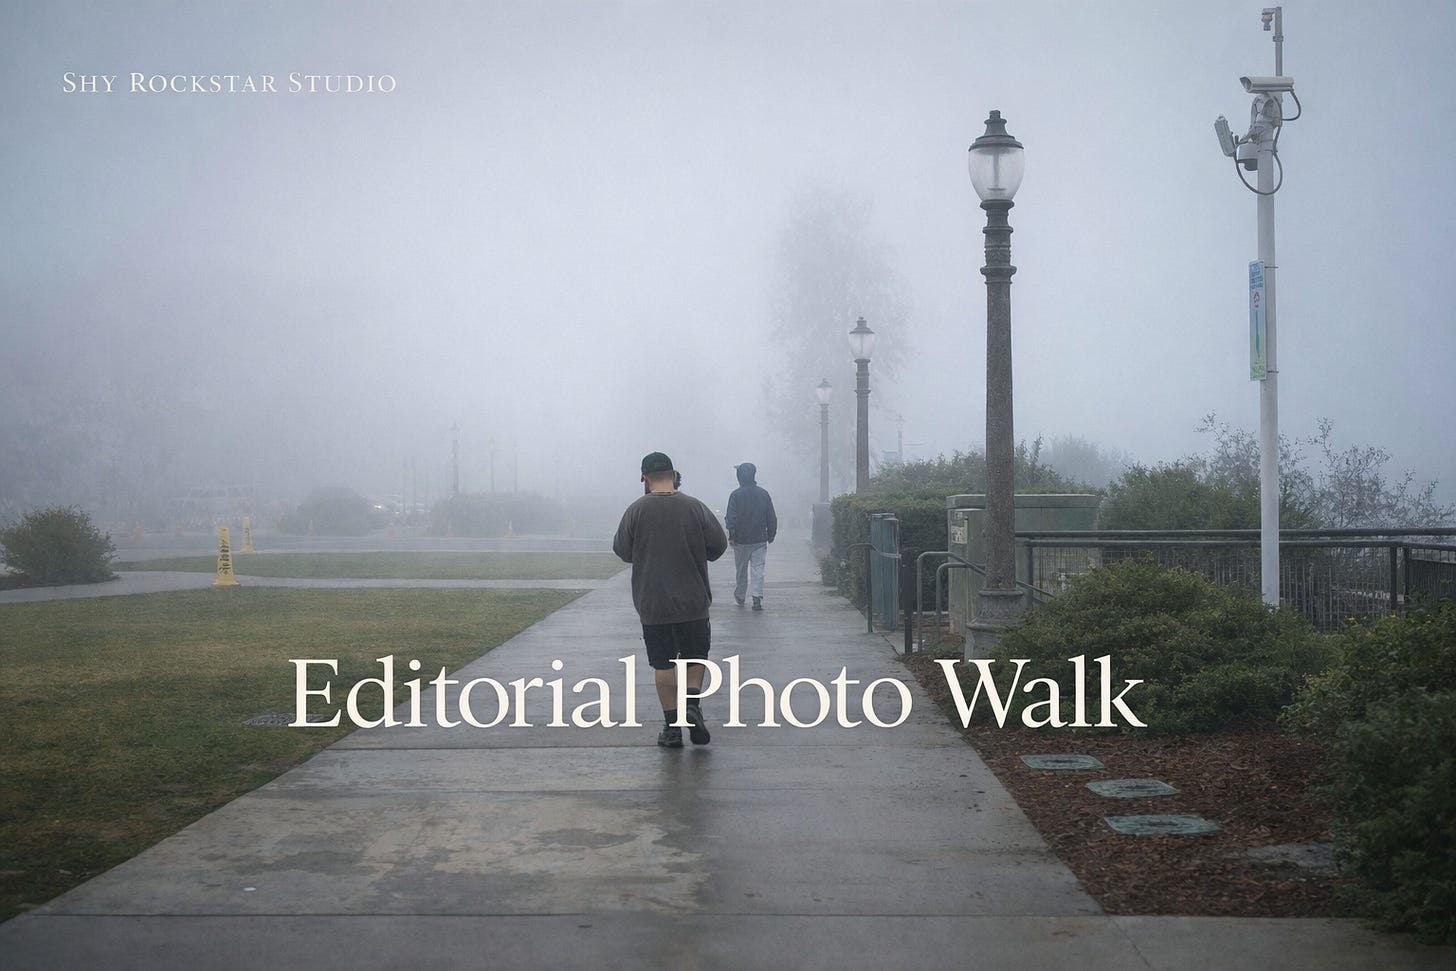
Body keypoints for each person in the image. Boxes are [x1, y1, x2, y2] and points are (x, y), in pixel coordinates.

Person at [612, 451, 728, 748]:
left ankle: (672, 728)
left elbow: (623, 551)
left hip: (654, 603)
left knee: (663, 664)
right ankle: (692, 704)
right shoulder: (695, 508)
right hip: (692, 600)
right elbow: (718, 546)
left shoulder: (636, 510)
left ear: (645, 477)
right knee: (696, 657)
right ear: (674, 474)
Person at [724, 461, 777, 610]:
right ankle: (756, 596)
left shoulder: (735, 495)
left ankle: (740, 596)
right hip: (759, 539)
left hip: (741, 541)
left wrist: (732, 535)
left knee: (741, 569)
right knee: (758, 569)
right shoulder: (763, 494)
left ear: (739, 477)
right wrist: (771, 533)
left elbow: (731, 517)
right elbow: (771, 515)